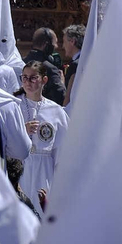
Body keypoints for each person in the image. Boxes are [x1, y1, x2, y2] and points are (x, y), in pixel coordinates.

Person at [17, 62, 68, 212]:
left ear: (44, 80)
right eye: (24, 78)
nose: (27, 82)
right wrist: (23, 131)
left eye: (33, 78)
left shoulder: (56, 110)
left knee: (42, 213)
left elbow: (63, 149)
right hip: (21, 168)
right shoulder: (14, 106)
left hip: (45, 170)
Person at [61, 23, 86, 104]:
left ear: (72, 41)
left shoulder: (76, 65)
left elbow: (70, 95)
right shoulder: (86, 59)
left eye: (64, 42)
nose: (63, 46)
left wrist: (62, 83)